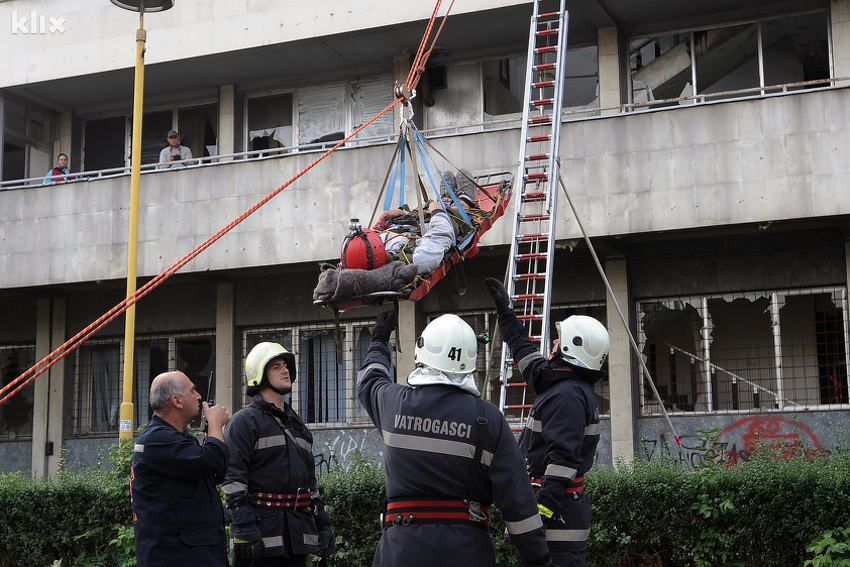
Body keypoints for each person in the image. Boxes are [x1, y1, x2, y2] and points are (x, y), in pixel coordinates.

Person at [356, 309, 554, 567]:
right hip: (467, 552)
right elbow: (518, 504)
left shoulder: (393, 404)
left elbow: (368, 379)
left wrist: (380, 339)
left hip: (400, 551)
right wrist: (539, 560)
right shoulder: (489, 420)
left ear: (422, 351)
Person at [484, 277, 610, 567]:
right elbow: (528, 358)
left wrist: (536, 519)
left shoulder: (567, 396)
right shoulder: (562, 386)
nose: (553, 341)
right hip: (560, 525)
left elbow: (563, 460)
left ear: (572, 347)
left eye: (559, 339)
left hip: (557, 532)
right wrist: (506, 315)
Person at [222, 342, 335, 567]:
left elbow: (310, 484)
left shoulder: (298, 426)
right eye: (276, 366)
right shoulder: (244, 422)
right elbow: (233, 479)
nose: (285, 370)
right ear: (259, 375)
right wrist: (243, 525)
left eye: (286, 365)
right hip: (258, 539)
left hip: (296, 538)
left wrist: (322, 524)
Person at [131, 370, 231, 566]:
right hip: (177, 557)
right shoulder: (157, 439)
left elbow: (213, 473)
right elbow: (213, 461)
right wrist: (215, 425)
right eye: (192, 390)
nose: (199, 396)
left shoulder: (176, 438)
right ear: (177, 401)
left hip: (192, 554)